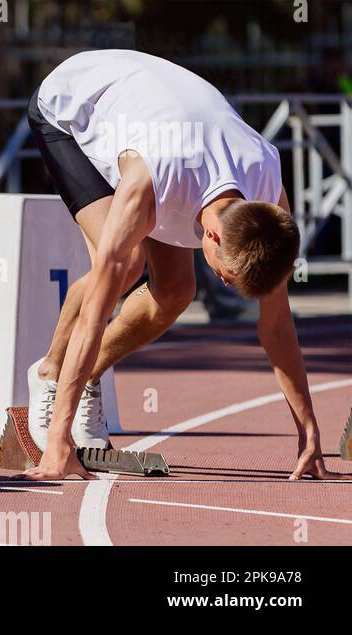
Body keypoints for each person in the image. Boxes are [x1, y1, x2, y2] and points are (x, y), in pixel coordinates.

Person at [19, 50, 346, 481]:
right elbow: (95, 313)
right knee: (123, 264)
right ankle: (51, 374)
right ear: (211, 237)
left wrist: (308, 433)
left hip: (159, 119)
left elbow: (277, 324)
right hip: (69, 108)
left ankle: (88, 377)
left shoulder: (267, 184)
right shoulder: (151, 184)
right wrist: (58, 443)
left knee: (175, 292)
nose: (226, 285)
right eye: (227, 276)